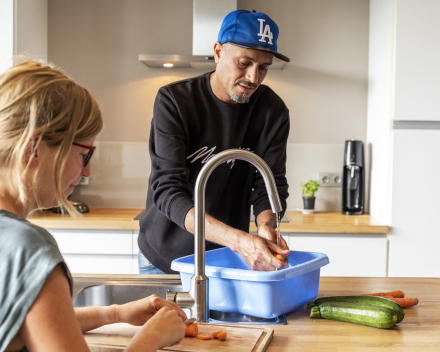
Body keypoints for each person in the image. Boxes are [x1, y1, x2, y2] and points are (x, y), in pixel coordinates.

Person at [0, 60, 187, 352]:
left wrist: (115, 313)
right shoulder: (28, 249)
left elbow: (36, 319)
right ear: (33, 149)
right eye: (85, 155)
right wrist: (151, 338)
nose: (86, 172)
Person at [139, 10, 291, 275]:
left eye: (263, 67)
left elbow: (270, 184)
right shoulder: (175, 101)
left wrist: (266, 224)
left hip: (227, 261)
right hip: (164, 258)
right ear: (219, 52)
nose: (253, 77)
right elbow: (168, 190)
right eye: (244, 63)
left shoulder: (272, 111)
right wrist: (239, 241)